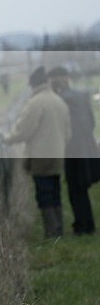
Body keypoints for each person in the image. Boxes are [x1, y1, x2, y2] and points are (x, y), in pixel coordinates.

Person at [2, 66, 71, 238]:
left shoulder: (35, 103)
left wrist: (8, 138)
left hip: (41, 156)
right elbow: (68, 132)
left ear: (33, 84)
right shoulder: (58, 100)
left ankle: (52, 232)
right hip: (58, 154)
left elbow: (24, 130)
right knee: (55, 192)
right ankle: (58, 229)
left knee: (44, 193)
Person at [48, 66, 99, 235]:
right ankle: (87, 224)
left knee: (75, 190)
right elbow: (91, 122)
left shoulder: (61, 99)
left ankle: (82, 226)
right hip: (87, 146)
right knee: (81, 188)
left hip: (72, 149)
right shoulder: (81, 96)